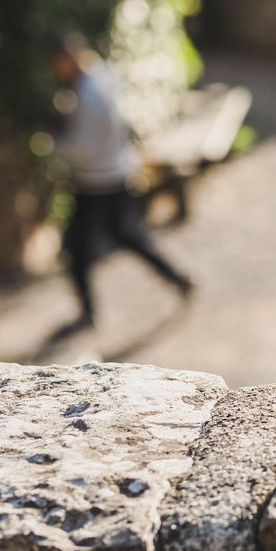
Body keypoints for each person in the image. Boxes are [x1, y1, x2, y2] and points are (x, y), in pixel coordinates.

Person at [47, 33, 193, 333]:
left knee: (77, 249)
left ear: (66, 58)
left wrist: (55, 139)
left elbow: (82, 149)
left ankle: (88, 313)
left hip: (96, 182)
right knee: (127, 236)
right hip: (118, 172)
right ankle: (178, 279)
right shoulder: (102, 75)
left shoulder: (89, 94)